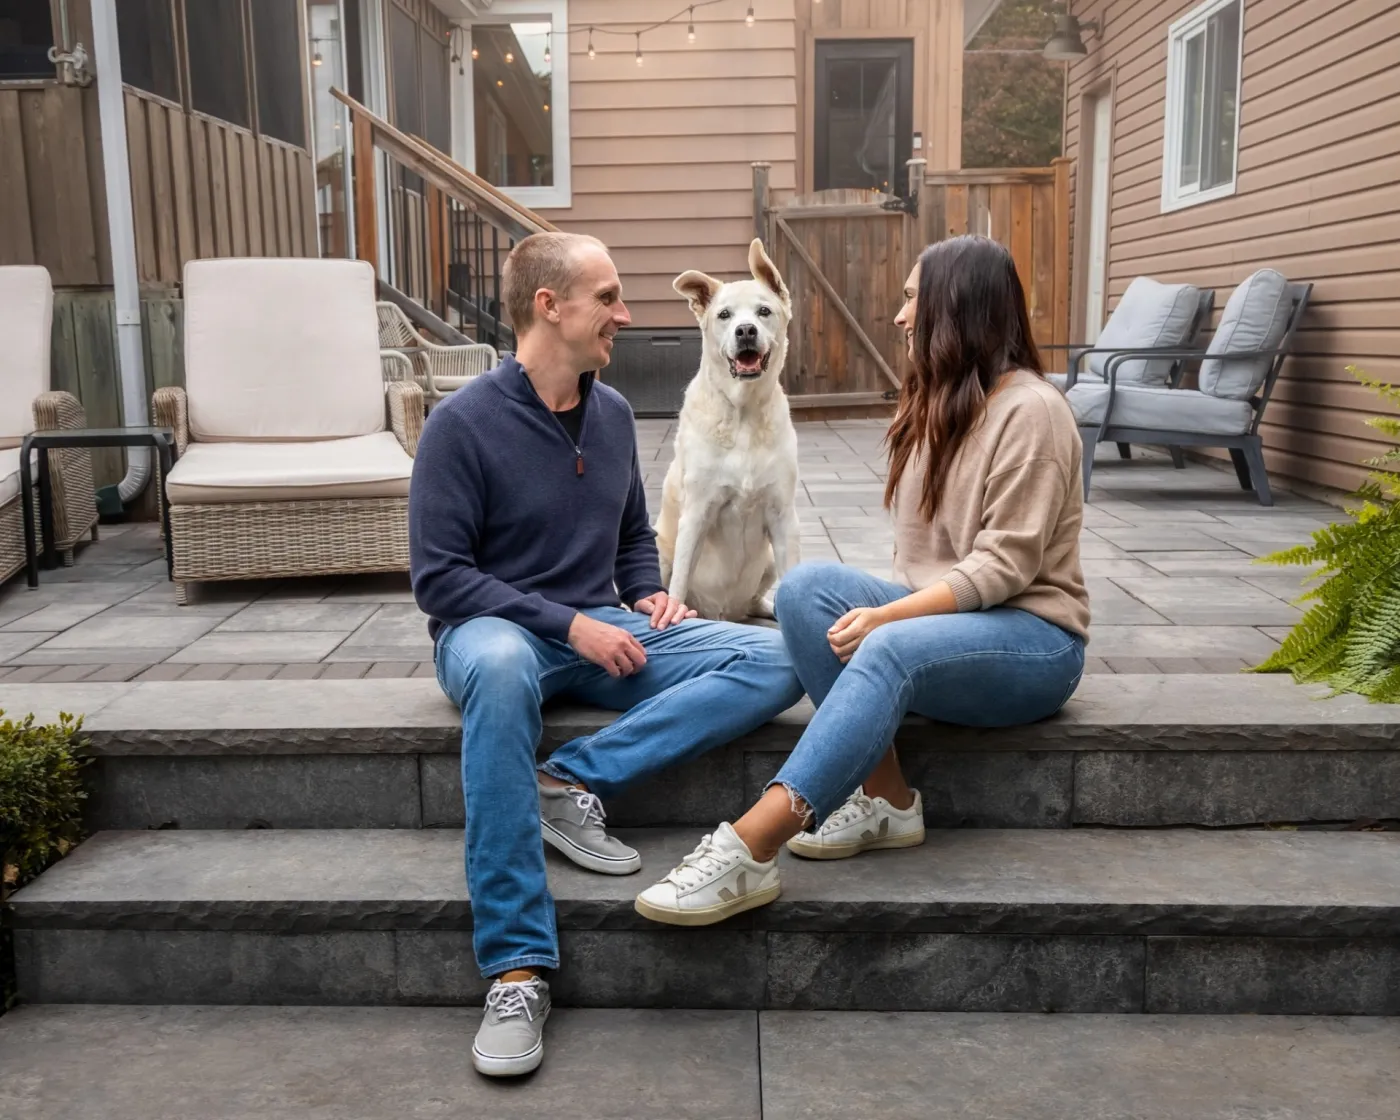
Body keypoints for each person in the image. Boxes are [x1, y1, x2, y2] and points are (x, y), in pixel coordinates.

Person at [409, 231, 803, 1078]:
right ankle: (517, 970)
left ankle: (571, 776)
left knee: (777, 660)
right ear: (550, 308)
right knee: (509, 672)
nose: (625, 315)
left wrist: (648, 590)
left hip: (601, 627)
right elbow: (440, 581)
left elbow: (629, 538)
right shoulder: (461, 425)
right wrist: (566, 624)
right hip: (495, 635)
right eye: (609, 298)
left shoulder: (616, 414)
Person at [635, 235, 1089, 926]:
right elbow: (924, 564)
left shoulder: (1033, 412)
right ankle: (889, 802)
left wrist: (890, 620)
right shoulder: (939, 402)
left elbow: (1004, 568)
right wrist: (889, 613)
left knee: (885, 645)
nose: (902, 316)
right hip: (959, 621)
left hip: (1036, 641)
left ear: (956, 308)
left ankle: (749, 847)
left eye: (914, 299)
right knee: (802, 590)